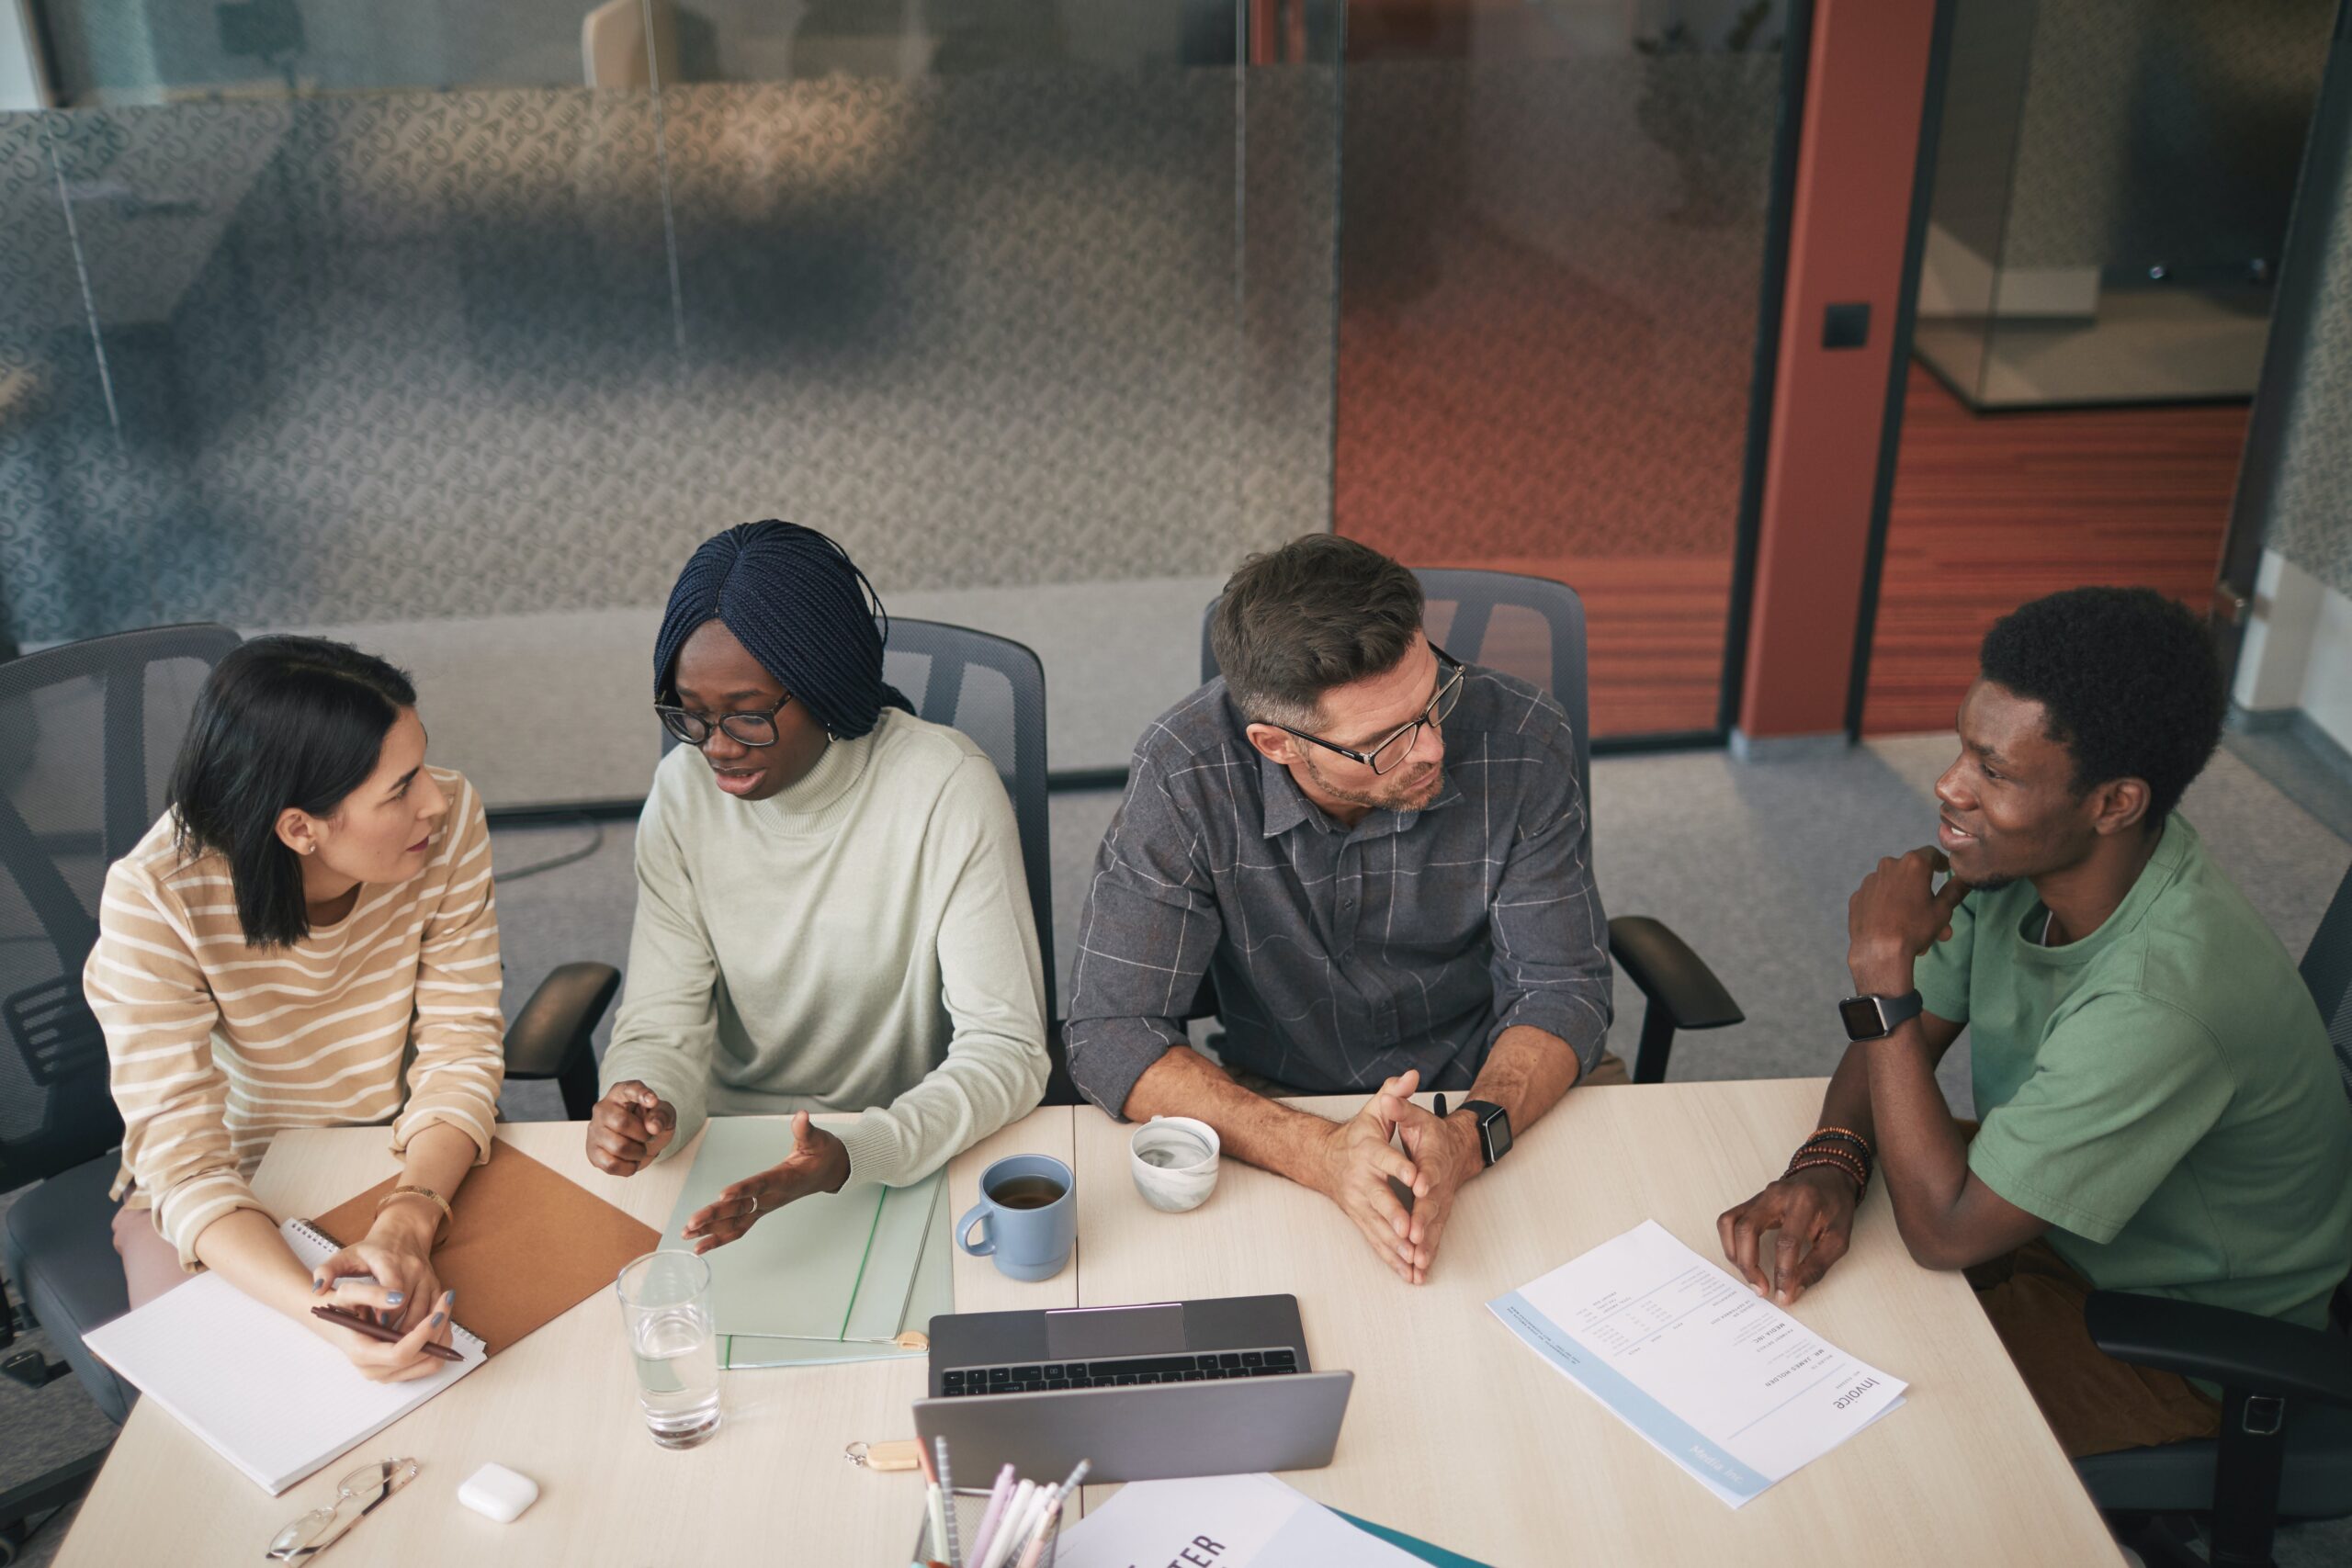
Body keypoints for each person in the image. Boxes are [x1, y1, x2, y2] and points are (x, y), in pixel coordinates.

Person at [1716, 586, 2352, 1459]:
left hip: (2170, 1332)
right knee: (1778, 1308)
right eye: (1963, 749)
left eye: (1996, 771)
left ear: (2114, 802)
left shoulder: (2161, 997)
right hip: (2049, 1216)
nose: (1948, 785)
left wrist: (1881, 970)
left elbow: (1945, 1230)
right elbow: (1909, 1040)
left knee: (1832, 1432)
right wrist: (1833, 1158)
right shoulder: (2020, 866)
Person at [1066, 536, 1617, 1286]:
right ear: (1275, 743)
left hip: (1487, 1090)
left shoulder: (1524, 739)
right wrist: (1321, 1152)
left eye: (1433, 700)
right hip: (1280, 1102)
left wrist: (1465, 1135)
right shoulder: (1185, 773)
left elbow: (1563, 990)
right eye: (1383, 741)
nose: (1429, 748)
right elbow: (1110, 1032)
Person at [585, 522, 1048, 1248]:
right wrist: (648, 1101)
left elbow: (1008, 1050)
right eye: (693, 714)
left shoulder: (946, 788)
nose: (719, 746)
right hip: (725, 1156)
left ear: (825, 685)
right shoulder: (682, 794)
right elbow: (659, 1024)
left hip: (902, 1148)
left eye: (747, 712)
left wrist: (859, 1152)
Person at [88, 637, 499, 1381]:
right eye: (399, 788)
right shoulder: (156, 896)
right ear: (299, 827)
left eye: (423, 766)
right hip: (229, 1188)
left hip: (394, 1152)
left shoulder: (445, 823)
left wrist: (408, 1218)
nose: (434, 800)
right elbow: (184, 1165)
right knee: (229, 1401)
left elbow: (460, 1049)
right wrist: (321, 1314)